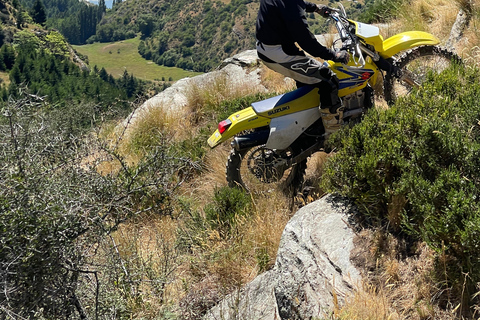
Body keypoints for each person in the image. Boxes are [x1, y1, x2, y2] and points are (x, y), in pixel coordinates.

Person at [255, 0, 350, 137]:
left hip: (271, 47)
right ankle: (333, 135)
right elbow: (306, 41)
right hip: (278, 52)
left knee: (309, 79)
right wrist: (334, 55)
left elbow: (291, 5)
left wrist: (315, 8)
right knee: (328, 79)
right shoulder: (291, 5)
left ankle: (310, 126)